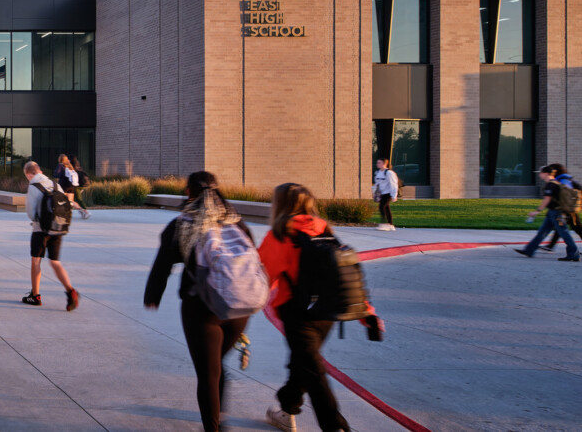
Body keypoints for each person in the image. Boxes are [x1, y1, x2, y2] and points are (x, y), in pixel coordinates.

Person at [258, 182, 380, 432]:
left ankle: (334, 426)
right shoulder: (324, 229)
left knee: (312, 370)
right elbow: (345, 271)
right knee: (304, 364)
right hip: (327, 311)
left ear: (280, 205)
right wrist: (367, 312)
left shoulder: (281, 234)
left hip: (298, 312)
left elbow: (262, 278)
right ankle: (286, 408)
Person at [144, 171, 257, 432]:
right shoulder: (236, 222)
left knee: (208, 373)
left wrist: (153, 295)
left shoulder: (182, 224)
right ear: (218, 191)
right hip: (238, 310)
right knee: (216, 366)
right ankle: (220, 420)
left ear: (188, 193)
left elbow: (163, 265)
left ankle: (213, 428)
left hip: (202, 308)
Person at [22, 161, 78, 310]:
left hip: (41, 230)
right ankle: (70, 291)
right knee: (55, 262)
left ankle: (35, 295)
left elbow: (30, 213)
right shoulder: (55, 185)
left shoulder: (33, 186)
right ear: (39, 170)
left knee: (36, 261)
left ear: (29, 174)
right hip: (58, 228)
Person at [517, 164, 580, 261]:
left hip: (557, 213)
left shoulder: (551, 185)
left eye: (540, 173)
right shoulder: (556, 183)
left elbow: (547, 199)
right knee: (542, 232)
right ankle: (529, 250)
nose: (539, 175)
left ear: (546, 173)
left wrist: (537, 211)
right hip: (552, 213)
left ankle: (573, 254)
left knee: (564, 233)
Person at [540, 168, 582, 254]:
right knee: (563, 226)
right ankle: (551, 246)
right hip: (571, 206)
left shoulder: (564, 180)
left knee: (574, 228)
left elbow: (566, 195)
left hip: (570, 208)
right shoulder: (566, 178)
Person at [57, 153, 90, 220]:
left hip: (63, 185)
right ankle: (83, 211)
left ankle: (64, 213)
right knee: (71, 201)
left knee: (61, 199)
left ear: (60, 160)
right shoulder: (70, 165)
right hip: (71, 186)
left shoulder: (61, 165)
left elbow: (57, 174)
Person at [371, 158, 399, 231]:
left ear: (384, 164)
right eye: (377, 163)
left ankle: (384, 223)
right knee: (386, 208)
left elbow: (394, 184)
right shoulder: (378, 173)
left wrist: (394, 196)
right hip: (382, 194)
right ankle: (390, 224)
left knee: (382, 207)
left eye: (379, 163)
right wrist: (374, 193)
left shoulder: (389, 173)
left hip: (388, 193)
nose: (377, 164)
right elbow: (376, 184)